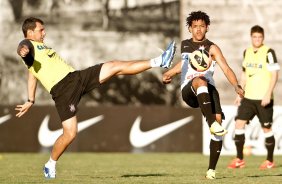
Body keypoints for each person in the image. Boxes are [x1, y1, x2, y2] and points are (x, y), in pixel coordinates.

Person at [15, 17, 176, 179]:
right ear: (30, 32)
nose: (44, 32)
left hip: (76, 78)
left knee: (115, 66)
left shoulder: (39, 50)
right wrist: (22, 50)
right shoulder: (28, 45)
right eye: (41, 30)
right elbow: (23, 47)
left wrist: (30, 100)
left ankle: (160, 61)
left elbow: (32, 75)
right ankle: (50, 164)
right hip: (63, 91)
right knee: (70, 134)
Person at [162, 11, 244, 179]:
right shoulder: (185, 45)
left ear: (207, 28)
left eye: (201, 26)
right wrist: (169, 73)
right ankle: (211, 122)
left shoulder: (212, 48)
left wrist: (236, 85)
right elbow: (183, 65)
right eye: (195, 27)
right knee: (200, 80)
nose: (198, 30)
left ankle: (211, 171)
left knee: (219, 124)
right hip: (189, 89)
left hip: (208, 88)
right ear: (190, 29)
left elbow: (226, 68)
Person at [227, 25, 280, 169]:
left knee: (266, 129)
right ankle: (239, 159)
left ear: (263, 38)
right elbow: (244, 75)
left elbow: (275, 74)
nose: (257, 39)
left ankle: (269, 161)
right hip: (248, 98)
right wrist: (240, 93)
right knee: (239, 124)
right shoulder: (247, 52)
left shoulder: (269, 52)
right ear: (251, 37)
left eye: (260, 37)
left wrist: (268, 93)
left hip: (264, 98)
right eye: (255, 37)